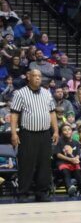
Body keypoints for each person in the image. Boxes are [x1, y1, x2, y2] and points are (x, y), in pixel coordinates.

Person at [10, 69, 58, 202]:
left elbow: (52, 113)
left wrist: (56, 131)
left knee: (44, 164)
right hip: (28, 134)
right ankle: (23, 192)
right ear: (28, 77)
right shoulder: (20, 93)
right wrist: (14, 133)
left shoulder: (47, 93)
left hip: (44, 133)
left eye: (40, 76)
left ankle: (41, 192)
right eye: (35, 76)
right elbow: (14, 114)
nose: (38, 78)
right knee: (27, 164)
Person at [54, 124, 81, 197]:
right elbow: (58, 154)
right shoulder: (59, 141)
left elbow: (78, 154)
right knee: (66, 172)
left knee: (78, 173)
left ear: (72, 131)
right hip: (63, 162)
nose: (67, 131)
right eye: (65, 130)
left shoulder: (75, 142)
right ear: (61, 132)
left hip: (73, 162)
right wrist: (70, 159)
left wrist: (76, 159)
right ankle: (70, 188)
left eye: (69, 129)